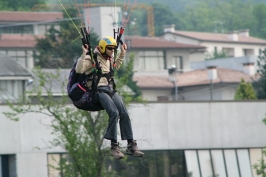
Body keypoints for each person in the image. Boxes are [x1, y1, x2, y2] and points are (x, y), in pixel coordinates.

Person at [75, 36, 144, 159]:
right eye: (110, 49)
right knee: (114, 113)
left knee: (124, 113)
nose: (112, 51)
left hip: (110, 89)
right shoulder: (92, 57)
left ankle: (130, 145)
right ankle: (114, 146)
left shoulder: (109, 58)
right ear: (102, 48)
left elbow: (115, 66)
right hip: (98, 91)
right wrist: (83, 54)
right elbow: (79, 70)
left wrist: (122, 54)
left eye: (113, 49)